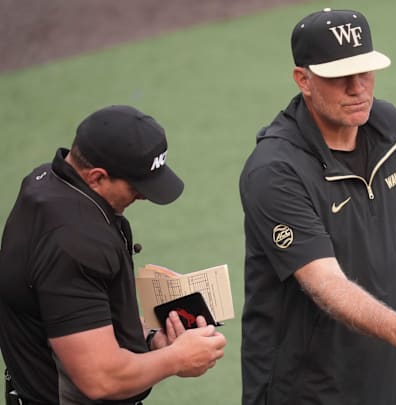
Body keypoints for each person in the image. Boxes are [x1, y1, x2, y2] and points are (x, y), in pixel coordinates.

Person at [239, 8, 396, 405]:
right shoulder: (275, 170)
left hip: (384, 379)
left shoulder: (387, 125)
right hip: (305, 390)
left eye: (365, 71)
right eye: (340, 76)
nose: (358, 88)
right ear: (303, 79)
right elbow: (325, 284)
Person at [0, 105, 227, 404]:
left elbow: (83, 299)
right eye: (137, 185)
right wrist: (177, 358)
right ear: (96, 177)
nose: (144, 195)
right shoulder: (74, 243)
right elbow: (101, 378)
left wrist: (150, 339)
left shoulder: (45, 182)